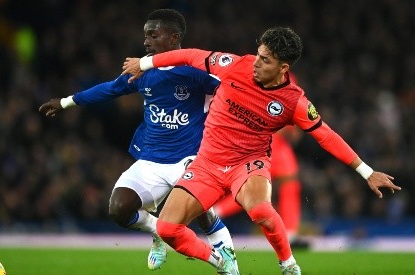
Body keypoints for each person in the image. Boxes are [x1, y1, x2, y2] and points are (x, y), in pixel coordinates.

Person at [122, 26, 401, 274]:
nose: (256, 62)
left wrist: (366, 172)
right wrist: (145, 63)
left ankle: (289, 265)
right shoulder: (234, 65)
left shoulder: (294, 101)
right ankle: (221, 261)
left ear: (284, 67)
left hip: (249, 162)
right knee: (167, 229)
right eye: (258, 54)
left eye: (265, 60)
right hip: (207, 162)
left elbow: (326, 136)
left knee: (260, 211)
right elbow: (189, 55)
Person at [39, 9, 237, 272]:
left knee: (203, 212)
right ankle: (158, 233)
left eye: (153, 35)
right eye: (145, 36)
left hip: (191, 160)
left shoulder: (196, 72)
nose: (146, 42)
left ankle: (228, 262)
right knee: (119, 209)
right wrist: (66, 102)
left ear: (174, 37)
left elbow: (232, 93)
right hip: (151, 160)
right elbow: (111, 89)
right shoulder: (142, 70)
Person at [215, 121, 309, 248]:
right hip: (264, 140)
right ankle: (215, 212)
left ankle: (290, 233)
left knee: (288, 183)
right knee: (255, 188)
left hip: (273, 141)